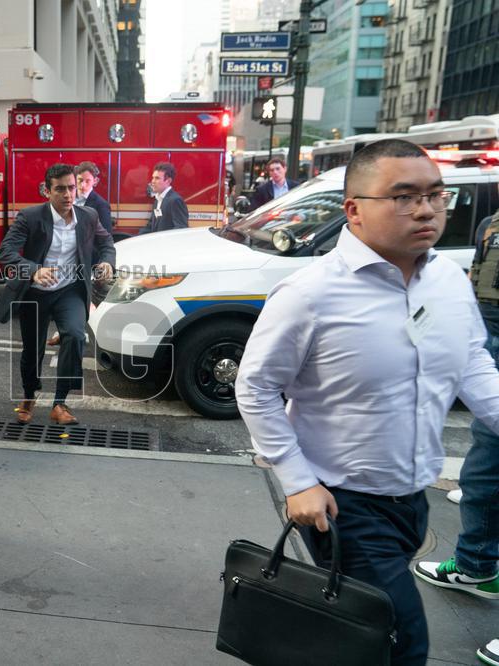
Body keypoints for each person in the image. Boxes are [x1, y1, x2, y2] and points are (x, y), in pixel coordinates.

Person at [235, 139, 499, 666]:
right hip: (341, 503)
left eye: (434, 195)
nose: (425, 209)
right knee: (402, 640)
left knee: (355, 640)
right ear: (353, 209)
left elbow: (471, 360)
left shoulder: (447, 279)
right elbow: (256, 385)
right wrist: (297, 480)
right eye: (402, 196)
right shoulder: (310, 293)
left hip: (411, 497)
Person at [414, 205, 499, 665]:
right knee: (485, 472)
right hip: (491, 335)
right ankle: (476, 566)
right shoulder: (489, 224)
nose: (425, 209)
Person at [0, 163, 115, 426]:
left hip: (69, 291)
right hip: (35, 293)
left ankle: (59, 403)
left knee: (74, 335)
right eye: (60, 189)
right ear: (47, 191)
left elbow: (106, 242)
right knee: (32, 350)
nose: (67, 194)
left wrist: (107, 261)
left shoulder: (88, 216)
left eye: (71, 187)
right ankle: (29, 396)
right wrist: (34, 270)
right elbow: (6, 252)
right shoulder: (30, 217)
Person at [48, 162, 113, 347]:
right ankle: (68, 330)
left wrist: (102, 263)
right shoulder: (71, 200)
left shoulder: (100, 205)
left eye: (87, 181)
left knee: (85, 300)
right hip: (69, 262)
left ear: (95, 182)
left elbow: (105, 237)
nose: (83, 185)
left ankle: (79, 333)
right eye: (79, 181)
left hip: (88, 261)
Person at [138, 162, 188, 234]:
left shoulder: (175, 200)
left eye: (157, 178)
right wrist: (135, 238)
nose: (153, 181)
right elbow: (151, 225)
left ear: (168, 181)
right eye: (153, 177)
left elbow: (180, 229)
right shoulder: (157, 200)